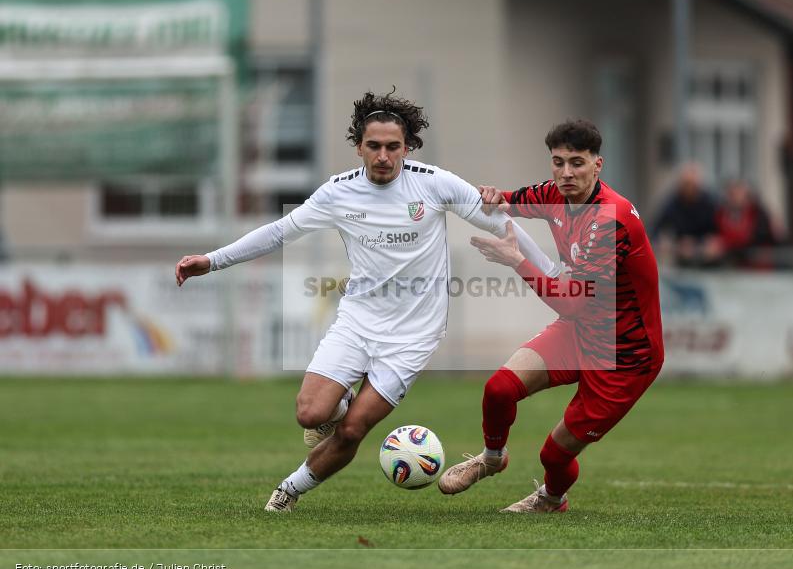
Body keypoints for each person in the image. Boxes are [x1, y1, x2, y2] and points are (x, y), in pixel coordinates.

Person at [175, 89, 557, 512]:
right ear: (359, 146)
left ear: (406, 147)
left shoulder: (435, 183)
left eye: (393, 147)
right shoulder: (338, 192)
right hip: (358, 321)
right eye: (373, 146)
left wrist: (551, 273)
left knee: (353, 430)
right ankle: (340, 406)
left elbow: (504, 226)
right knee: (310, 413)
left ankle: (288, 491)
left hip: (415, 334)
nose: (383, 155)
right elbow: (280, 231)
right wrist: (212, 260)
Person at [438, 119, 664, 512]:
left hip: (625, 357)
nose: (565, 173)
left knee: (553, 455)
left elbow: (572, 302)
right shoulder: (553, 193)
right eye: (558, 163)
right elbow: (505, 201)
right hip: (582, 332)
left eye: (576, 163)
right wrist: (490, 195)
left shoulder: (612, 221)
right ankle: (493, 457)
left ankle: (551, 498)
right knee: (498, 389)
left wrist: (518, 261)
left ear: (598, 165)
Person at [651, 162, 721, 267]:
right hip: (681, 256)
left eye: (693, 185)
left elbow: (720, 230)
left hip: (708, 258)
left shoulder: (710, 202)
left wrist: (709, 243)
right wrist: (664, 242)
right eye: (686, 184)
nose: (689, 189)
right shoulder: (673, 203)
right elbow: (655, 228)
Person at [715, 178, 778, 269]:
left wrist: (725, 243)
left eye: (739, 193)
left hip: (757, 269)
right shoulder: (721, 214)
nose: (736, 197)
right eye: (732, 194)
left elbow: (751, 238)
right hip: (732, 268)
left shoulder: (757, 214)